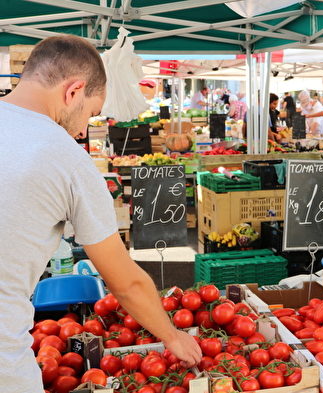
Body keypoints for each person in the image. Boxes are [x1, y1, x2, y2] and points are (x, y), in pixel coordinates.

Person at [0, 35, 202, 393]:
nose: (82, 130)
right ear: (73, 91)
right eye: (91, 114)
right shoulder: (67, 158)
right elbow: (125, 282)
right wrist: (171, 336)